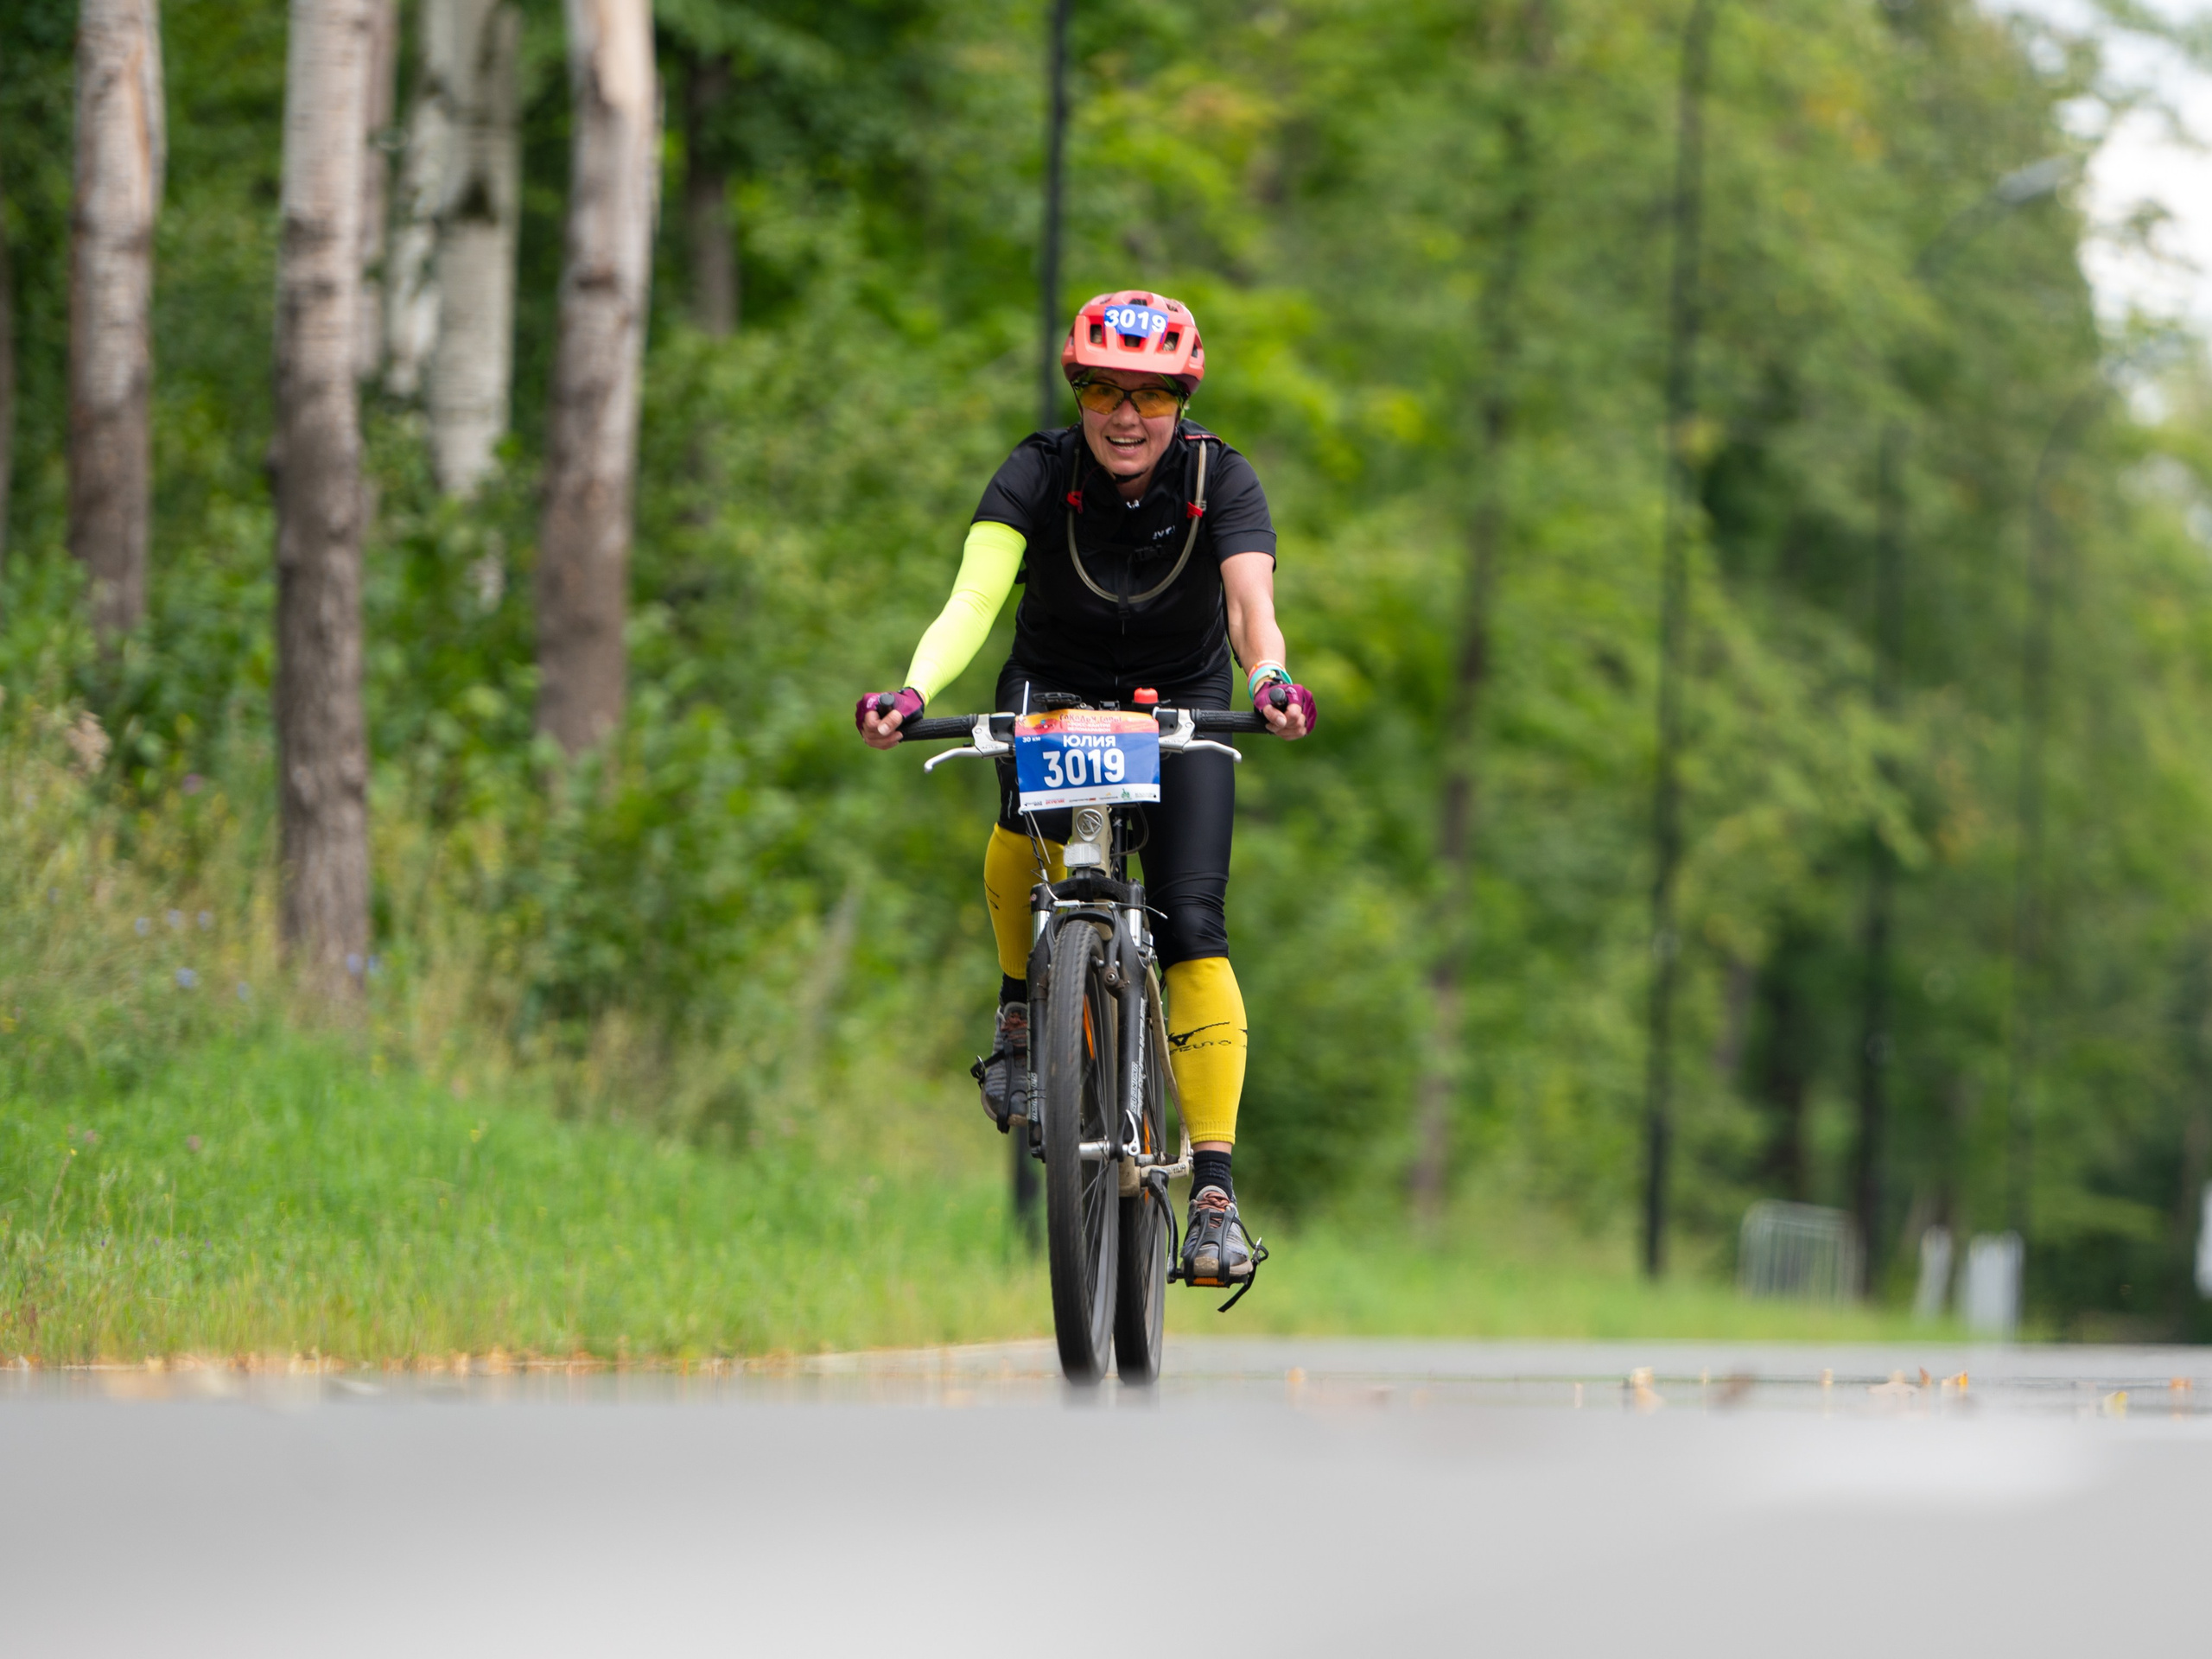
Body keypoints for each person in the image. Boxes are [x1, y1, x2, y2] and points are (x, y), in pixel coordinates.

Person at [857, 289, 1314, 1289]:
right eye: (1105, 389)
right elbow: (973, 597)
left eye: (1150, 396)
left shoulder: (1220, 478)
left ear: (1181, 401)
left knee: (1193, 918)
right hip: (1052, 687)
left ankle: (1214, 1192)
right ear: (1079, 391)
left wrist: (1271, 679)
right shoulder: (1036, 470)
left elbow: (1251, 609)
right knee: (1025, 830)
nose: (1125, 415)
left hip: (1181, 698)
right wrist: (912, 689)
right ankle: (1024, 1010)